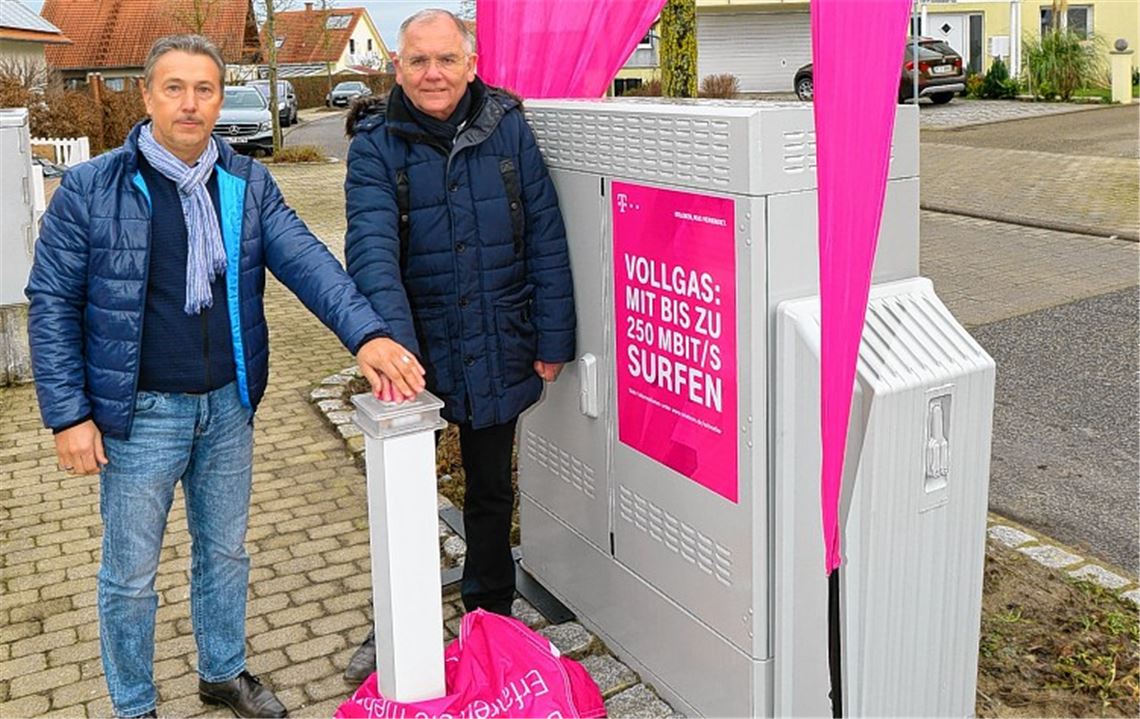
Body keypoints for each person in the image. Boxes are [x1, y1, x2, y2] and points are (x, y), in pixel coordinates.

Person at [24, 35, 424, 719]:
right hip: (138, 414)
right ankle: (133, 704)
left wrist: (367, 333)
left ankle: (221, 670)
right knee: (130, 574)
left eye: (204, 89)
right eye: (174, 88)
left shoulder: (245, 183)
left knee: (225, 553)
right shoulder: (93, 188)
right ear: (147, 95)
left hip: (227, 406)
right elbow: (52, 301)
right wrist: (69, 415)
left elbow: (307, 262)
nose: (190, 103)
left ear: (219, 99)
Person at [339, 8, 576, 682]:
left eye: (446, 59)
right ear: (398, 69)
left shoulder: (508, 128)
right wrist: (393, 350)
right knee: (406, 494)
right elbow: (372, 252)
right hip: (419, 346)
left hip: (500, 336)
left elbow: (545, 235)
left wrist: (553, 335)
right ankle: (397, 624)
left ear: (471, 65)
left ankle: (492, 614)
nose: (433, 73)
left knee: (492, 488)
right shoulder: (376, 144)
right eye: (418, 60)